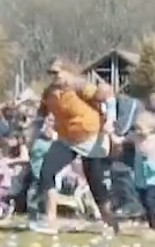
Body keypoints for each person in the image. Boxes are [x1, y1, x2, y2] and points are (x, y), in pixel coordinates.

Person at [29, 64, 119, 236]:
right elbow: (41, 115)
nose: (55, 76)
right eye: (52, 73)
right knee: (46, 172)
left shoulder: (80, 85)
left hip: (90, 136)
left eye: (58, 72)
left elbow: (108, 96)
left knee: (95, 182)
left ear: (68, 71)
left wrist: (110, 121)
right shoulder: (49, 92)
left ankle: (111, 222)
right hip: (66, 138)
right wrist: (33, 137)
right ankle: (51, 220)